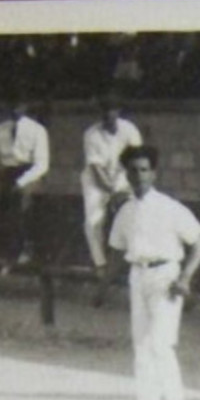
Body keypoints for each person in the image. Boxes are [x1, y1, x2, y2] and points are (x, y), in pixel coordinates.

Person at [107, 144, 200, 400]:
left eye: (144, 170)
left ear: (154, 173)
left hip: (166, 276)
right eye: (133, 171)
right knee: (141, 346)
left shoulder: (169, 207)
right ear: (126, 174)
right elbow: (116, 251)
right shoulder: (125, 211)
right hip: (138, 276)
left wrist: (185, 278)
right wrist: (102, 287)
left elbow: (199, 245)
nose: (139, 176)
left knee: (161, 345)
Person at [80, 95, 142, 300]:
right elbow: (96, 169)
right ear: (101, 113)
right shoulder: (91, 134)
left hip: (123, 177)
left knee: (134, 214)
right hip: (95, 181)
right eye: (105, 111)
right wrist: (111, 191)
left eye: (113, 110)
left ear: (118, 111)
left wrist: (125, 189)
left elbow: (135, 160)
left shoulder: (129, 130)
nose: (109, 115)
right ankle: (100, 264)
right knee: (93, 221)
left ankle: (134, 260)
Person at [0, 99, 50, 273]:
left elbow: (42, 165)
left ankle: (26, 250)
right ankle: (8, 255)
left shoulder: (37, 130)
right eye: (12, 106)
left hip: (29, 173)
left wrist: (21, 182)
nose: (15, 109)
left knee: (22, 202)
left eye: (19, 105)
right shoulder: (0, 129)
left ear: (25, 106)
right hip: (7, 173)